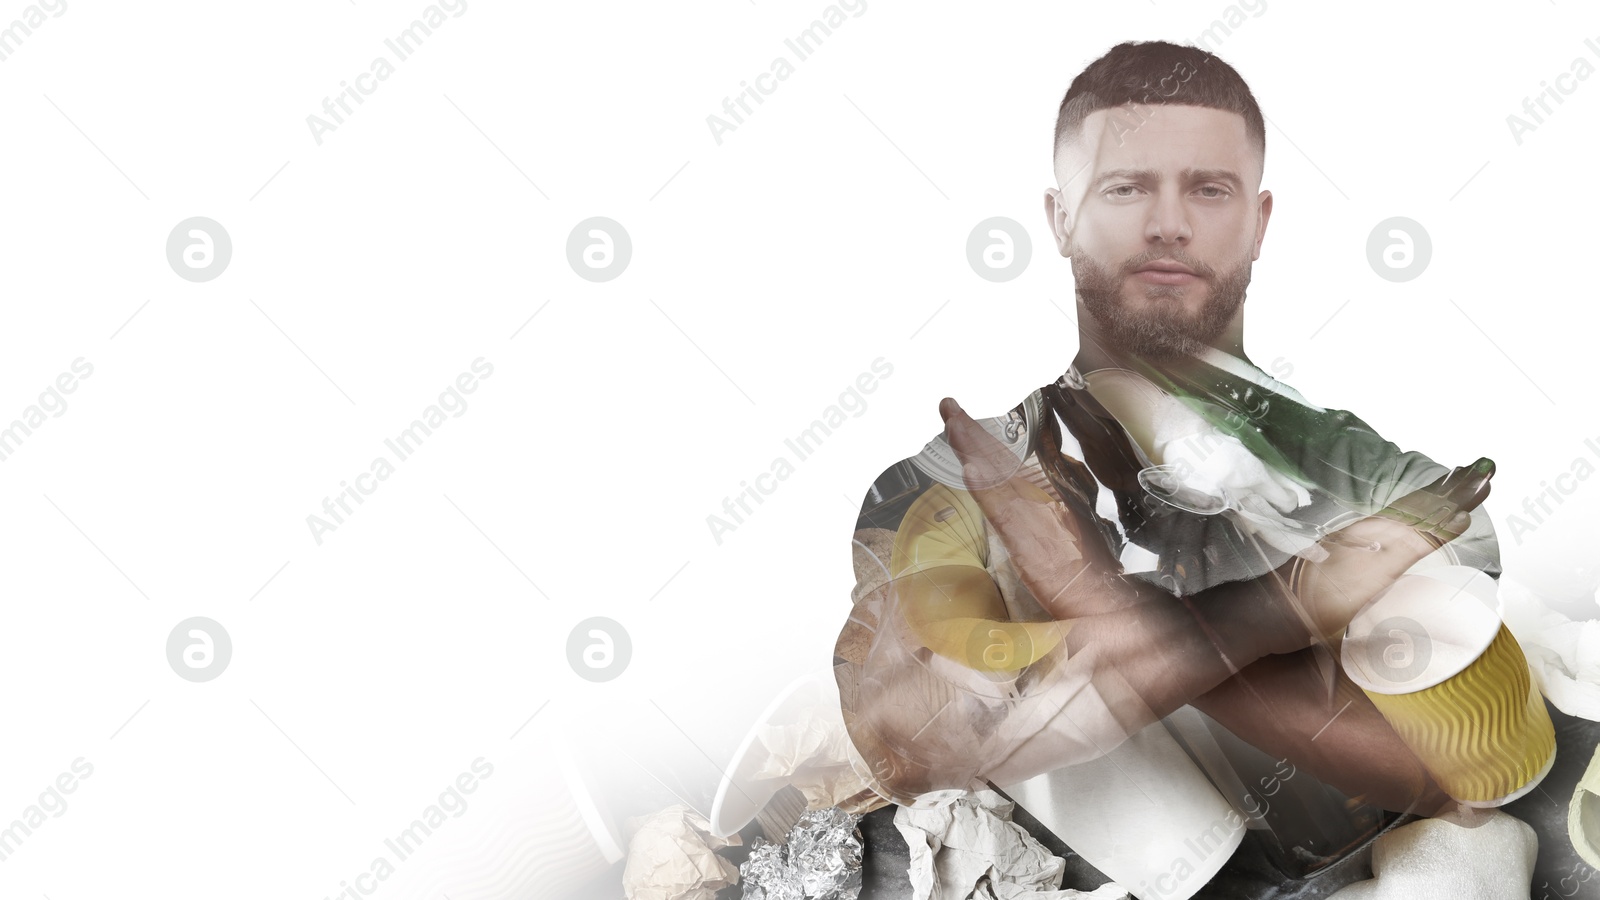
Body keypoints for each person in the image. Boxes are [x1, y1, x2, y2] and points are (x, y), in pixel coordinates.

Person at [830, 40, 1545, 842]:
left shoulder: (1395, 491)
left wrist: (1106, 613)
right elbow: (914, 737)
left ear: (1259, 221)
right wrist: (1281, 610)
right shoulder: (947, 489)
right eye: (1125, 188)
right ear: (1061, 218)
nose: (1167, 225)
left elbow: (1451, 779)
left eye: (1209, 189)